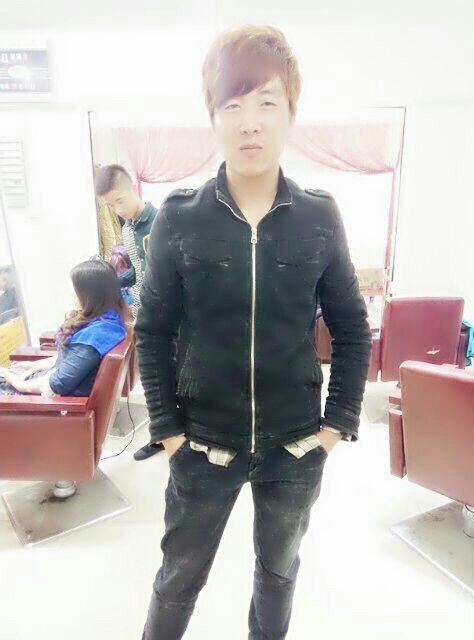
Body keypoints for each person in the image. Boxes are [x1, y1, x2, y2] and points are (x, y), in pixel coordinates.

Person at [135, 25, 372, 640]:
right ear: (212, 115)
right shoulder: (179, 218)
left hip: (295, 445)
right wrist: (167, 432)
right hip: (201, 443)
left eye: (267, 102)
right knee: (178, 578)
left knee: (278, 575)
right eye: (233, 105)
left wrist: (336, 425)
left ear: (291, 112)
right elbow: (152, 332)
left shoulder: (319, 215)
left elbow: (351, 327)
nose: (250, 123)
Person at [95, 165, 163, 461]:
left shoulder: (161, 222)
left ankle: (180, 436)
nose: (118, 209)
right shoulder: (127, 228)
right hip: (143, 313)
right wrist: (110, 281)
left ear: (133, 188)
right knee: (152, 379)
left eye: (120, 201)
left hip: (169, 316)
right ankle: (161, 436)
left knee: (173, 378)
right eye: (111, 205)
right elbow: (137, 270)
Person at [0, 259, 130, 396]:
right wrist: (34, 366)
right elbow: (72, 360)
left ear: (89, 295)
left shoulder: (93, 339)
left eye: (75, 291)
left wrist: (16, 382)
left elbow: (58, 384)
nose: (72, 295)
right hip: (48, 380)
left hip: (51, 399)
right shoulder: (110, 320)